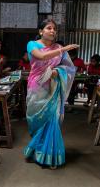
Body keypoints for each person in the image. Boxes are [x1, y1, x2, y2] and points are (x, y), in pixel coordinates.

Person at [24, 19, 78, 169]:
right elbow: (41, 57)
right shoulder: (32, 45)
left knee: (52, 120)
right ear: (41, 31)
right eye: (49, 28)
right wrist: (64, 49)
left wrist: (58, 71)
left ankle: (50, 156)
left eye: (54, 29)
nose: (52, 31)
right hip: (37, 87)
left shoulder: (58, 47)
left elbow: (68, 68)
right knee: (37, 120)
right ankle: (37, 151)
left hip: (53, 87)